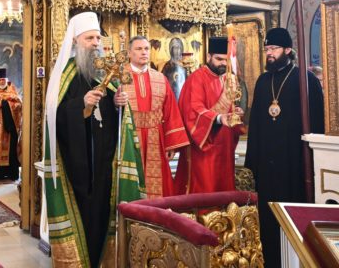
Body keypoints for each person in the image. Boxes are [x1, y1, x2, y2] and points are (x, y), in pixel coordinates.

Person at [44, 12, 144, 268]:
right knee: (85, 216)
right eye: (89, 38)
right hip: (78, 170)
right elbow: (55, 119)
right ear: (75, 41)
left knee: (104, 214)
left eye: (98, 38)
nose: (95, 43)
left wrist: (118, 104)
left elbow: (113, 118)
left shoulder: (103, 75)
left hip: (104, 166)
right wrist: (82, 105)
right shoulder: (64, 75)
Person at [245, 28, 324, 268]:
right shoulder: (263, 81)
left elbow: (317, 123)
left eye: (274, 49)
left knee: (291, 219)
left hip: (293, 165)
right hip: (267, 168)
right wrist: (253, 163)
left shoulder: (306, 80)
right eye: (267, 49)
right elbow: (255, 124)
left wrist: (313, 160)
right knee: (268, 220)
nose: (269, 53)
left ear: (288, 50)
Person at [119, 36, 189, 198]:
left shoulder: (160, 78)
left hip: (155, 139)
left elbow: (171, 111)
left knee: (158, 186)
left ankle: (155, 213)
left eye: (146, 49)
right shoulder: (119, 77)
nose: (144, 52)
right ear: (129, 53)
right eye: (139, 49)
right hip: (128, 137)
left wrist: (171, 144)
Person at [174, 37, 245, 195]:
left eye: (226, 60)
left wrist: (236, 112)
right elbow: (193, 110)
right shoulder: (197, 78)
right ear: (208, 57)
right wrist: (219, 118)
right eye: (219, 59)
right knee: (206, 187)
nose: (223, 63)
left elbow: (229, 108)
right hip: (204, 145)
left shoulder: (229, 79)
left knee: (224, 188)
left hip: (225, 145)